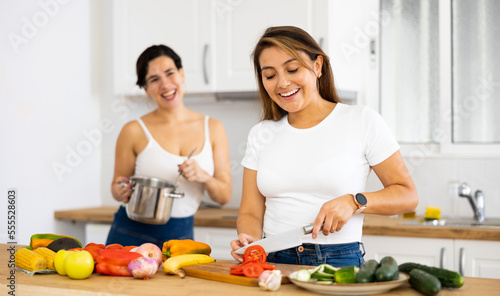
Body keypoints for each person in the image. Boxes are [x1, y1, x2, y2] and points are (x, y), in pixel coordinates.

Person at [230, 26, 418, 267]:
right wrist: (249, 241)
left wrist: (354, 201)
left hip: (338, 260)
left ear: (317, 66)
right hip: (274, 260)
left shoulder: (361, 120)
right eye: (270, 75)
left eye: (292, 69)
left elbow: (407, 195)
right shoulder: (261, 134)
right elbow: (251, 213)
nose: (282, 82)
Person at [107, 45, 232, 247]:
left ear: (182, 74)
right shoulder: (133, 131)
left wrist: (204, 177)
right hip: (130, 232)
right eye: (154, 79)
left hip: (180, 235)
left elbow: (224, 196)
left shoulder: (214, 128)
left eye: (170, 73)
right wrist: (121, 189)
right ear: (146, 89)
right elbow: (116, 185)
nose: (165, 84)